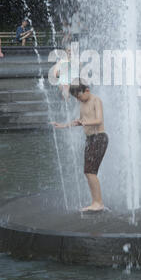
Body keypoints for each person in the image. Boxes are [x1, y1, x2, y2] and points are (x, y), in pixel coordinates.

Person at [51, 79, 108, 212]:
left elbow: (99, 120)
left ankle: (98, 203)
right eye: (76, 97)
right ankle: (96, 202)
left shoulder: (96, 100)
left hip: (99, 138)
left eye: (79, 96)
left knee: (90, 171)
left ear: (87, 90)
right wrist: (63, 125)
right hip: (90, 139)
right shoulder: (82, 103)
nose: (78, 99)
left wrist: (84, 122)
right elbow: (80, 122)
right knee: (88, 172)